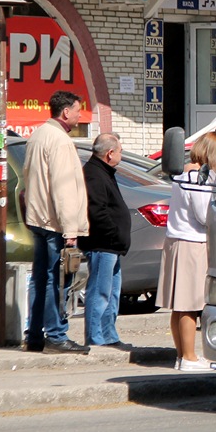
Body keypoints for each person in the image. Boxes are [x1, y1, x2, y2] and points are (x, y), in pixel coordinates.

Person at [22, 91, 90, 354]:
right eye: (77, 111)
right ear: (65, 112)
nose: (79, 116)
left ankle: (35, 335)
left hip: (39, 218)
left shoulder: (38, 135)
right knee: (54, 280)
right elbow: (63, 189)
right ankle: (56, 335)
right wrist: (71, 230)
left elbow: (29, 181)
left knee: (40, 279)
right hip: (54, 222)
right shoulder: (60, 140)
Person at [156, 131, 216, 372]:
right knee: (190, 304)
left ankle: (182, 355)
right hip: (192, 245)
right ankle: (189, 357)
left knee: (179, 306)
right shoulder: (199, 177)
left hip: (176, 241)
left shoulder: (183, 174)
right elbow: (203, 215)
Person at [80, 133, 131, 348]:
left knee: (112, 294)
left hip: (113, 246)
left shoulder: (105, 172)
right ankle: (95, 337)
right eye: (119, 151)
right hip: (103, 244)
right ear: (110, 153)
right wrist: (114, 233)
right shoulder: (94, 174)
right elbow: (97, 211)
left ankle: (109, 335)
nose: (121, 155)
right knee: (100, 292)